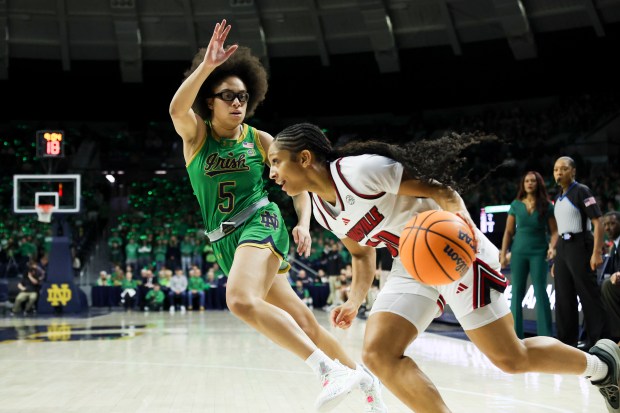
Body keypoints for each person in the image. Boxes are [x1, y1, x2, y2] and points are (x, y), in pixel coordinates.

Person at [267, 122, 620, 413]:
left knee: (511, 358)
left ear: (304, 157)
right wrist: (354, 299)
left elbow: (442, 192)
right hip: (412, 261)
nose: (272, 173)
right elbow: (361, 255)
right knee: (378, 352)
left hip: (451, 244)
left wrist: (465, 234)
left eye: (276, 162)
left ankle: (603, 367)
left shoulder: (359, 171)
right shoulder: (322, 209)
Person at [168, 19, 385, 412]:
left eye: (244, 96)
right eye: (228, 95)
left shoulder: (261, 140)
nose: (238, 102)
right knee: (303, 319)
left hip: (260, 222)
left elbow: (297, 184)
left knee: (239, 299)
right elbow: (175, 107)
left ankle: (328, 371)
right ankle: (367, 384)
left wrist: (302, 222)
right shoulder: (196, 137)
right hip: (224, 242)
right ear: (209, 101)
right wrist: (206, 67)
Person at [551, 156, 609, 350]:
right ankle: (566, 345)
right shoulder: (557, 196)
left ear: (573, 171)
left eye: (564, 168)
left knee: (589, 295)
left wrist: (597, 252)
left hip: (581, 245)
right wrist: (557, 259)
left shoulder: (581, 190)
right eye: (556, 169)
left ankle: (600, 343)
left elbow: (598, 221)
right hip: (563, 248)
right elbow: (560, 229)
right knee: (564, 298)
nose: (559, 172)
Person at [500, 171, 558, 338]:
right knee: (517, 291)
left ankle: (545, 336)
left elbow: (555, 232)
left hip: (539, 252)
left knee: (541, 291)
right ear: (523, 184)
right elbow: (508, 232)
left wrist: (552, 247)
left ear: (538, 183)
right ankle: (516, 336)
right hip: (518, 252)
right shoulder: (516, 205)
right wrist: (504, 254)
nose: (530, 183)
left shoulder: (547, 205)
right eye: (527, 181)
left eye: (533, 181)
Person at [601, 211, 620, 342]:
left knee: (607, 285)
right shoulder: (614, 247)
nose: (607, 227)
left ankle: (616, 337)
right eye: (605, 224)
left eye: (612, 223)